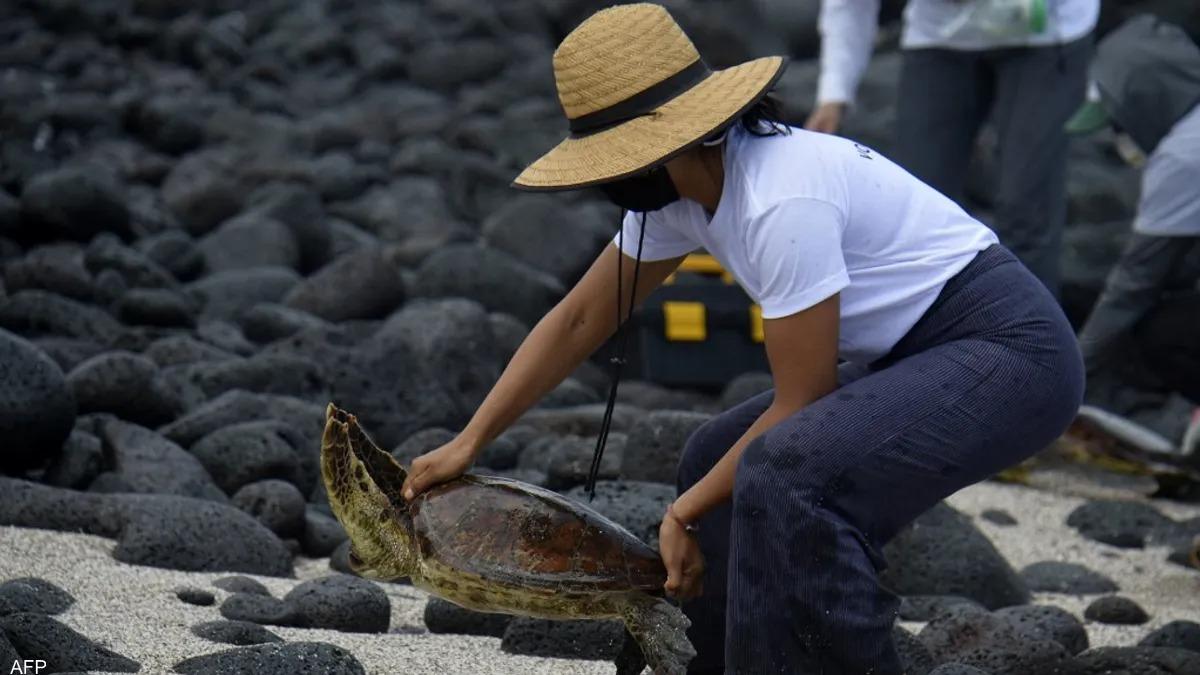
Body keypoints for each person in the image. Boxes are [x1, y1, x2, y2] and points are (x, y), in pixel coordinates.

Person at [400, 4, 1084, 673]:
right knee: (711, 457)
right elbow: (581, 319)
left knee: (789, 475)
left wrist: (681, 512)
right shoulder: (680, 195)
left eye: (613, 163)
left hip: (1011, 351)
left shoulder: (781, 199)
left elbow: (802, 400)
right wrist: (472, 439)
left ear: (665, 145)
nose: (609, 181)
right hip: (915, 351)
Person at [807, 0, 1098, 299]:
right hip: (938, 39)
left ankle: (1031, 339)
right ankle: (935, 337)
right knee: (914, 208)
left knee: (1026, 209)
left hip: (1048, 33)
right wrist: (834, 95)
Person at [1067, 15, 1200, 429]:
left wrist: (1060, 379)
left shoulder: (1184, 155)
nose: (1119, 139)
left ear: (1147, 100)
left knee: (1162, 330)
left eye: (1118, 123)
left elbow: (1132, 285)